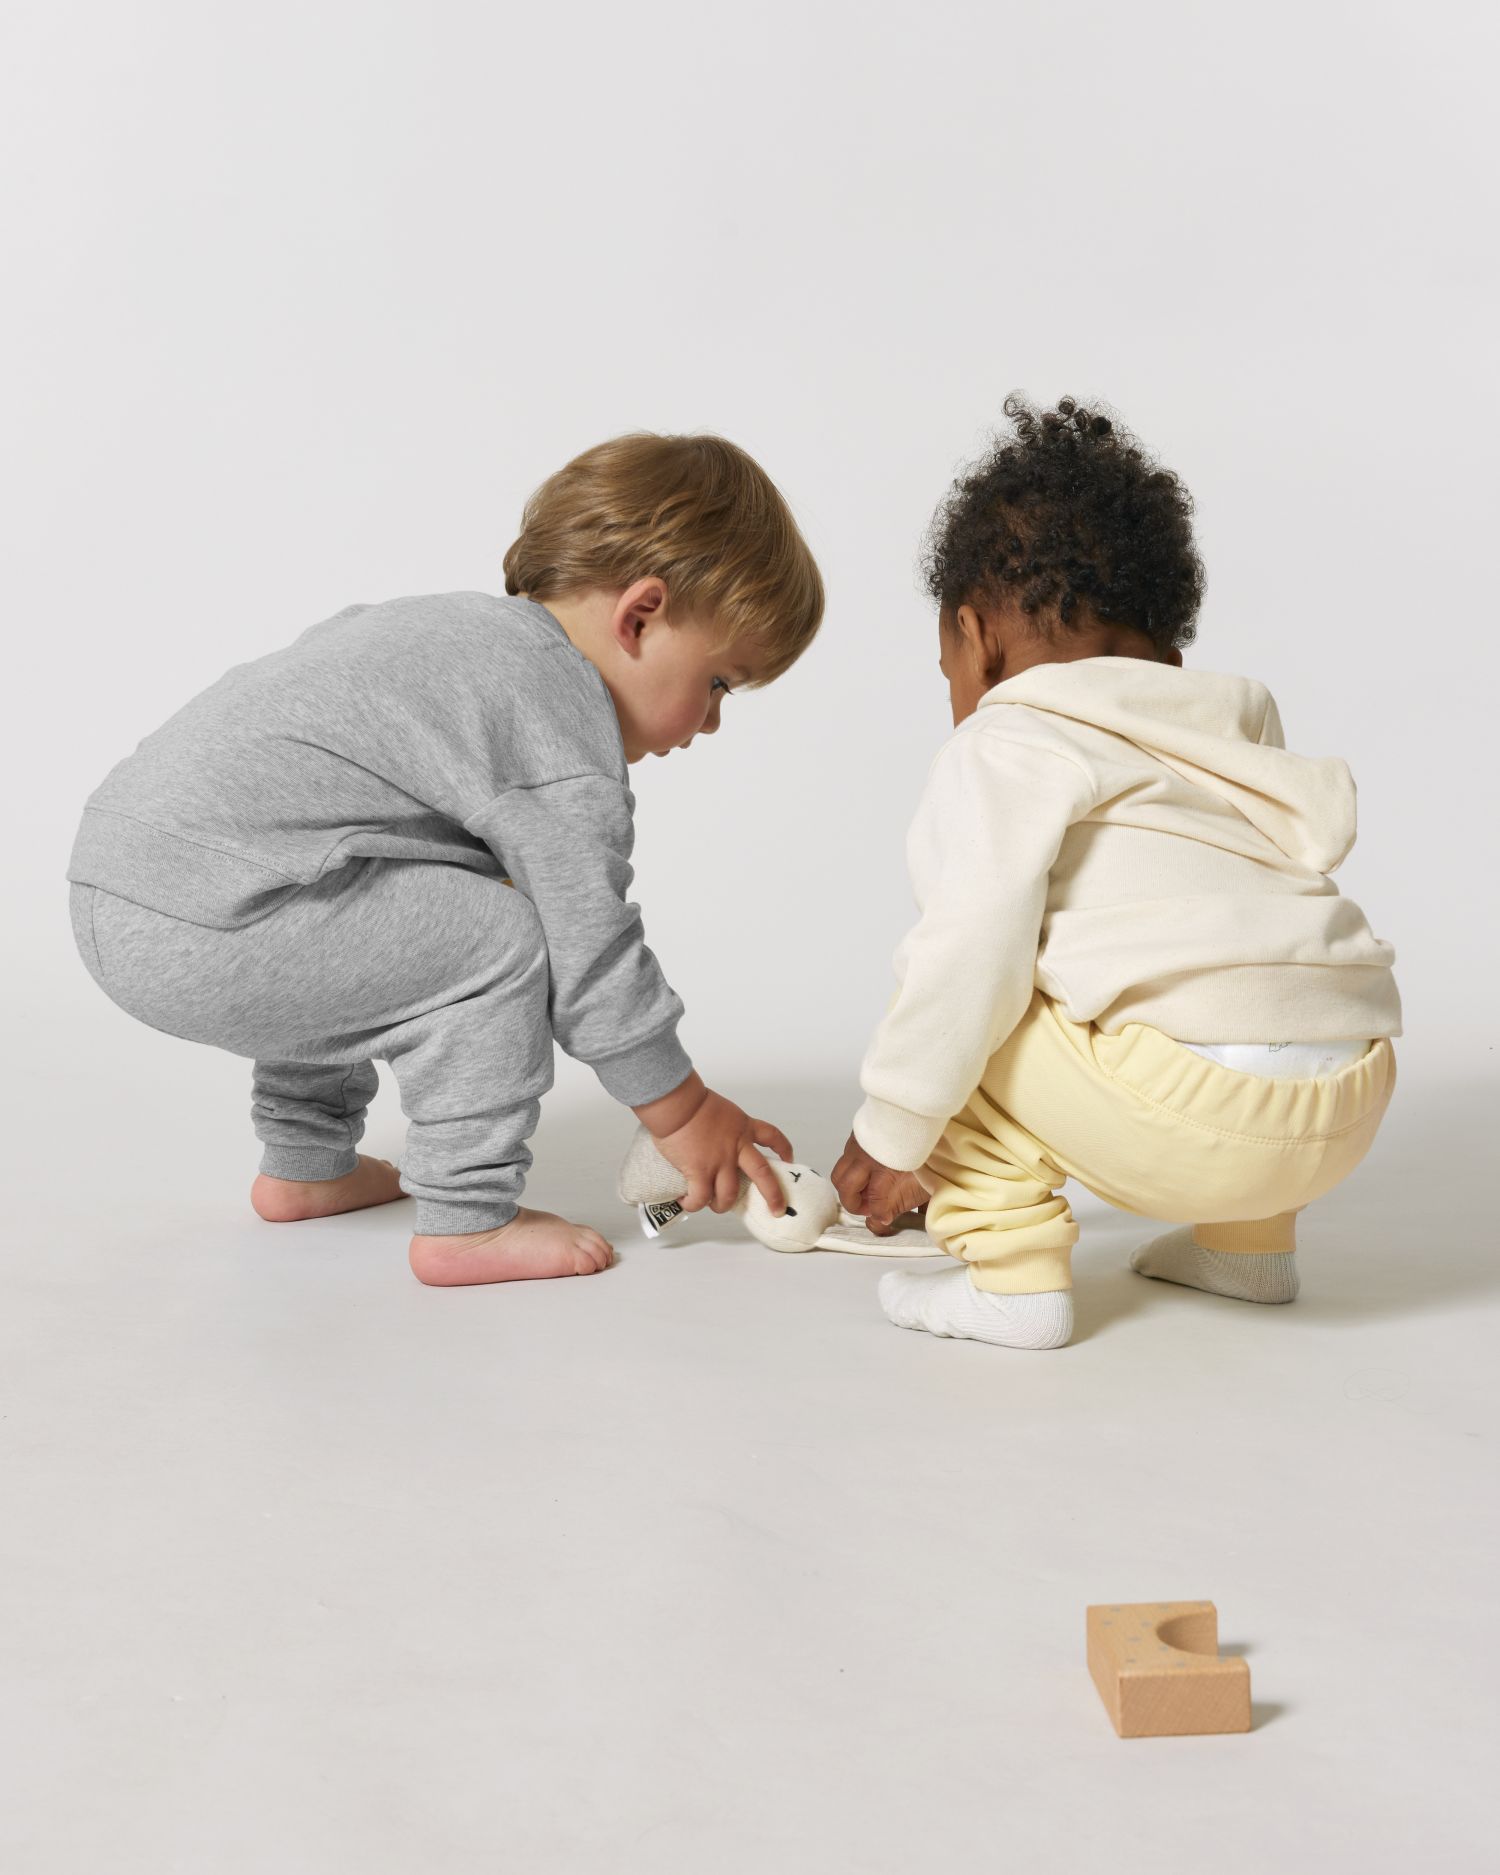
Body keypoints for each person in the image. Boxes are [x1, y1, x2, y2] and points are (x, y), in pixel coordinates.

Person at [68, 432, 822, 1285]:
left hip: (128, 877)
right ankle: (467, 1219)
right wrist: (683, 1113)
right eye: (719, 682)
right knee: (500, 937)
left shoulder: (442, 633)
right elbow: (591, 953)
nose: (712, 722)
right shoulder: (559, 719)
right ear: (640, 615)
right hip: (208, 915)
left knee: (395, 898)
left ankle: (306, 1166)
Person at [833, 397, 1399, 1351]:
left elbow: (966, 955)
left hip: (1197, 1116)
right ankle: (1250, 1250)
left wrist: (894, 1131)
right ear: (1167, 656)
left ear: (976, 638)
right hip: (1351, 1095)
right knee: (1239, 968)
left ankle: (1011, 1279)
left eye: (947, 671)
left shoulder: (1006, 739)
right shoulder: (1229, 722)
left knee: (970, 999)